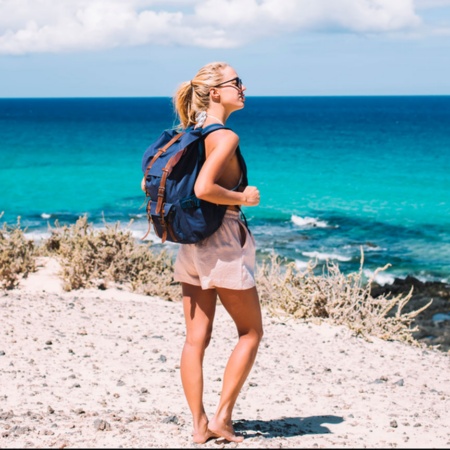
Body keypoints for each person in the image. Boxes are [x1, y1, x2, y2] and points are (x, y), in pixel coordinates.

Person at [171, 61, 264, 444]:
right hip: (222, 239)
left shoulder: (191, 131)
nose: (243, 88)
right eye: (236, 83)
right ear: (215, 93)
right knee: (251, 332)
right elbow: (205, 188)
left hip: (191, 241)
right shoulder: (225, 136)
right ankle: (222, 420)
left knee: (196, 338)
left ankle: (198, 426)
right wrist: (244, 197)